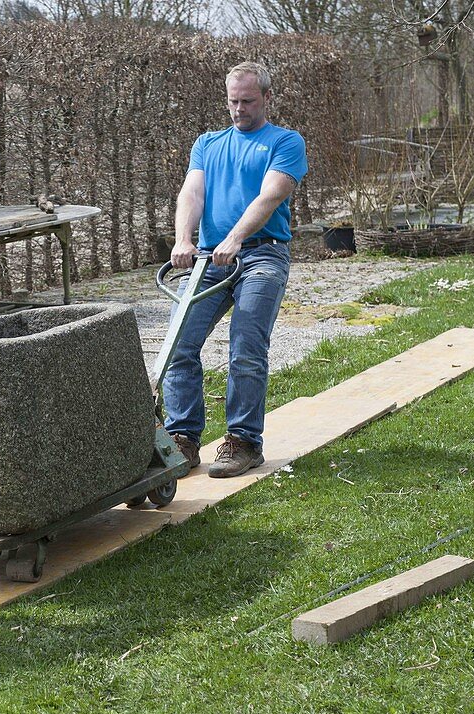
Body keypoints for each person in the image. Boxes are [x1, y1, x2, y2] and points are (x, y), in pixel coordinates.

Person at [163, 62, 308, 479]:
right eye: (232, 101)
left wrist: (237, 237)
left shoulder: (285, 141)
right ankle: (183, 439)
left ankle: (243, 441)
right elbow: (191, 193)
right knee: (178, 346)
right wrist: (183, 240)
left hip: (262, 256)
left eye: (247, 101)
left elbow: (271, 195)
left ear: (266, 98)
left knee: (245, 347)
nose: (238, 109)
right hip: (209, 259)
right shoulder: (208, 144)